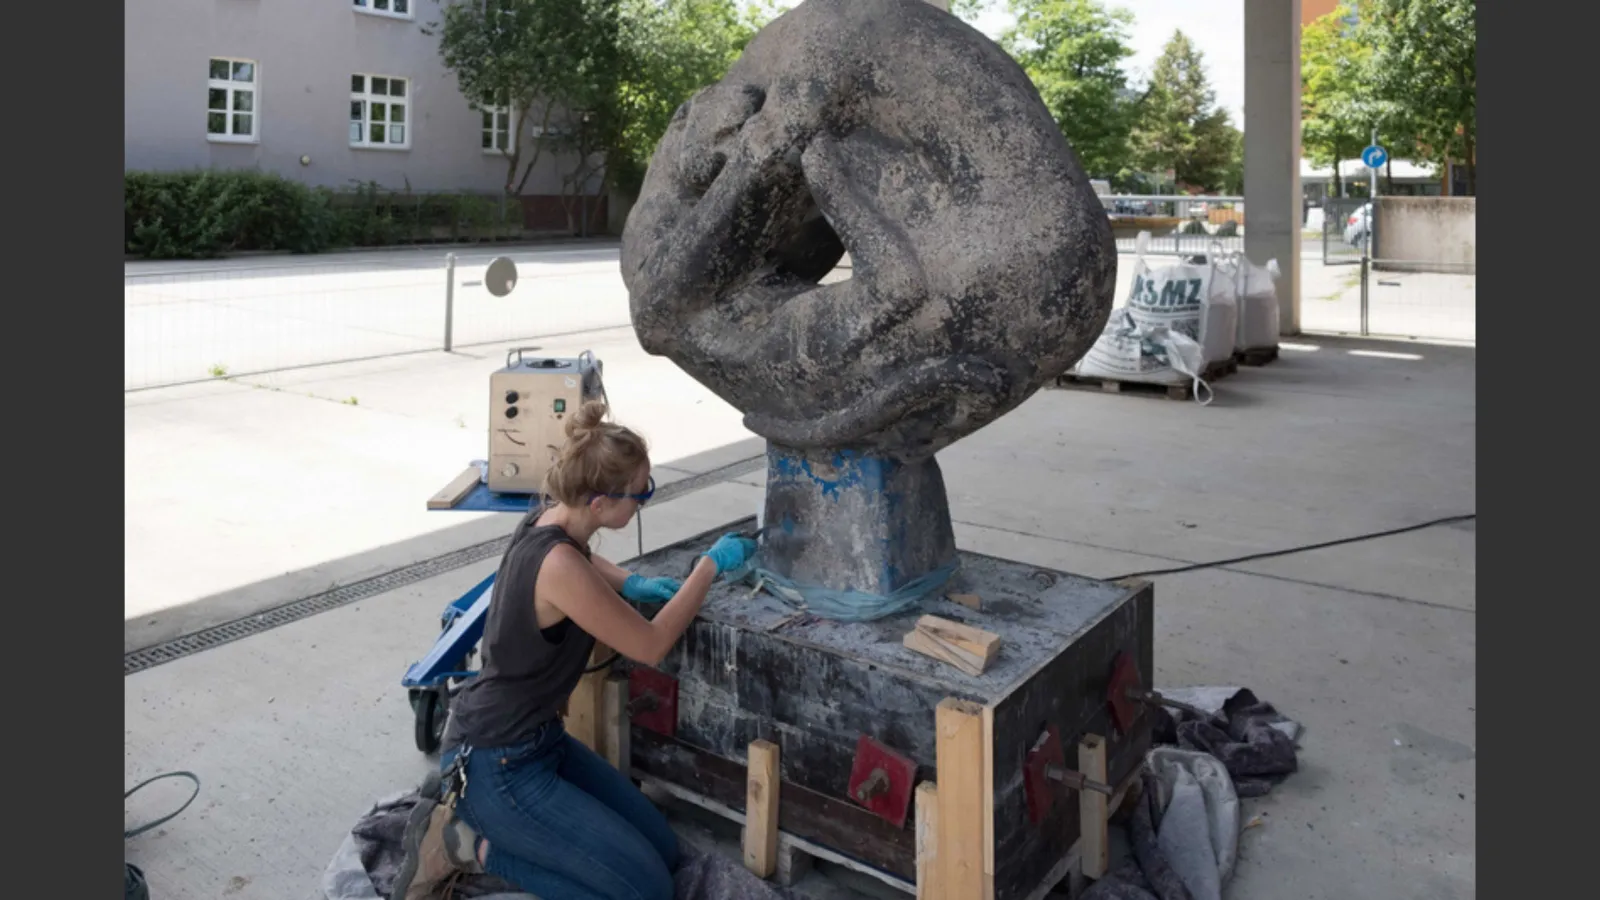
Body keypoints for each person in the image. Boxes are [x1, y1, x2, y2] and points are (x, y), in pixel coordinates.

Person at [391, 400, 759, 900]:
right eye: (639, 493)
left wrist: (634, 582)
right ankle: (465, 846)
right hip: (496, 763)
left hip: (539, 741)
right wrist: (708, 568)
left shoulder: (550, 517)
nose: (643, 501)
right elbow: (650, 644)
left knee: (664, 852)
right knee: (645, 891)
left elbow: (581, 562)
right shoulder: (560, 566)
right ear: (600, 505)